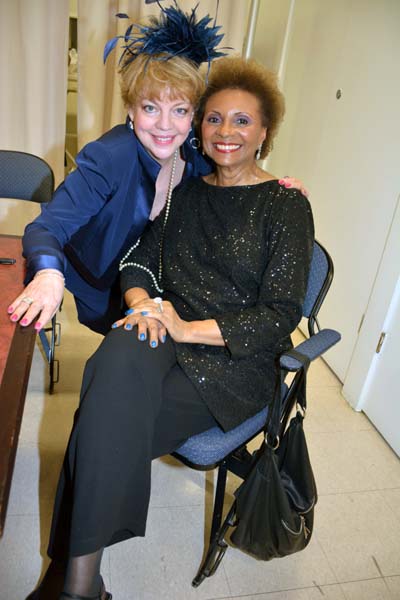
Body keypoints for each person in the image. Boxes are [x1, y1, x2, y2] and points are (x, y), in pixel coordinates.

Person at [27, 52, 314, 600]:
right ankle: (81, 586)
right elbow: (138, 261)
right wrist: (138, 303)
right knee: (113, 359)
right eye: (213, 118)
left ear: (265, 132)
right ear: (198, 129)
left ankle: (70, 585)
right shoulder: (185, 187)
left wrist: (185, 328)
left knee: (98, 427)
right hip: (164, 324)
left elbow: (280, 315)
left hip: (230, 361)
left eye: (242, 121)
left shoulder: (285, 206)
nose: (225, 131)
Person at [7, 3, 307, 336]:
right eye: (151, 107)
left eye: (179, 110)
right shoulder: (109, 157)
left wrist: (277, 187)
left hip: (167, 283)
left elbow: (236, 174)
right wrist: (49, 274)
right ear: (132, 110)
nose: (165, 125)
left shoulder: (197, 151)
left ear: (192, 114)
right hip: (107, 281)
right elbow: (46, 227)